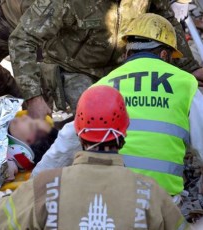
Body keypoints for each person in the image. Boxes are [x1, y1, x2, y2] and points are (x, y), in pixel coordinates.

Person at [32, 13, 203, 197]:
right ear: (163, 54)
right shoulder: (184, 82)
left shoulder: (103, 85)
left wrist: (32, 184)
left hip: (114, 198)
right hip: (162, 201)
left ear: (127, 53)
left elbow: (68, 140)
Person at [0, 85, 189, 229]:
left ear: (78, 132)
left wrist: (6, 203)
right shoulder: (150, 192)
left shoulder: (44, 187)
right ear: (124, 131)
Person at [9, 0, 203, 119]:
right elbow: (22, 38)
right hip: (75, 69)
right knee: (94, 117)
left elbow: (165, 17)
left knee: (142, 116)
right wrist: (33, 97)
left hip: (124, 65)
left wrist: (189, 66)